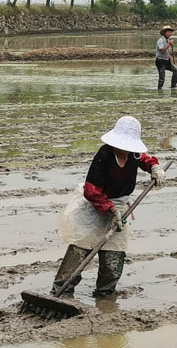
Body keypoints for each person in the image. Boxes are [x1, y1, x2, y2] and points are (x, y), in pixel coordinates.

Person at [51, 116, 165, 299]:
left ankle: (105, 296)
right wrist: (110, 210)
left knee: (114, 256)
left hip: (120, 206)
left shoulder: (134, 154)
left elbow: (146, 159)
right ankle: (61, 291)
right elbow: (91, 190)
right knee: (80, 249)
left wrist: (155, 168)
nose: (125, 148)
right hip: (94, 206)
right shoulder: (104, 155)